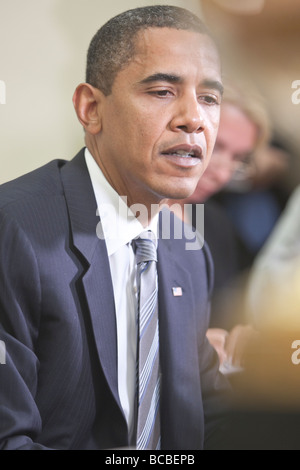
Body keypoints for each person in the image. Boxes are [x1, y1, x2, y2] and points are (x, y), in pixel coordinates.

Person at [0, 5, 231, 450]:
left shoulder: (188, 252)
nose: (194, 119)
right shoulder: (15, 232)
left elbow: (212, 420)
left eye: (210, 98)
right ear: (90, 109)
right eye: (163, 91)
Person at [167, 83, 270, 365]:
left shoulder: (216, 222)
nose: (222, 172)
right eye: (217, 145)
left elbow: (238, 305)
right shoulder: (130, 215)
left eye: (239, 158)